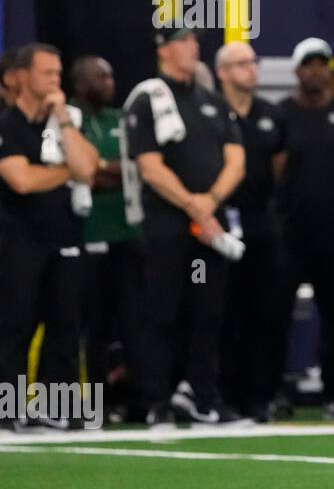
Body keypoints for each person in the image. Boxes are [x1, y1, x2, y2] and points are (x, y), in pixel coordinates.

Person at [124, 26, 245, 426]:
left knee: (208, 315)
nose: (192, 47)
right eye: (183, 41)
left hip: (209, 229)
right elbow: (149, 166)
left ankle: (204, 399)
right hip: (167, 228)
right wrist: (194, 206)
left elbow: (235, 161)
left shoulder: (211, 101)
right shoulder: (148, 100)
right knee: (162, 314)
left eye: (194, 41)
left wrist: (209, 202)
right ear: (164, 50)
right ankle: (156, 402)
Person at [0, 44, 98, 431]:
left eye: (59, 73)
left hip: (65, 236)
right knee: (15, 325)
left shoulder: (64, 122)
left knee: (65, 327)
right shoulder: (6, 125)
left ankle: (56, 407)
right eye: (47, 73)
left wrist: (62, 118)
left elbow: (88, 169)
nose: (55, 80)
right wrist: (65, 173)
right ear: (20, 76)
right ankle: (6, 409)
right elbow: (21, 180)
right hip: (18, 240)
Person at [274, 37, 334, 420]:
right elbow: (275, 168)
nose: (316, 70)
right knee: (276, 314)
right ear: (298, 71)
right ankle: (274, 396)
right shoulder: (281, 115)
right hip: (289, 232)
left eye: (322, 63)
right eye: (309, 64)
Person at [215, 41, 286, 421]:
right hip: (221, 222)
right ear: (223, 72)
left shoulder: (271, 115)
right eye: (241, 64)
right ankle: (223, 396)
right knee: (225, 311)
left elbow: (280, 167)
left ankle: (260, 398)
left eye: (253, 62)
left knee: (264, 313)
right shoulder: (210, 112)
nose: (251, 70)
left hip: (262, 223)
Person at [71, 56, 143, 419]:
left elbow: (138, 168)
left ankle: (136, 402)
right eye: (101, 75)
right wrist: (104, 171)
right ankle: (93, 405)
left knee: (135, 322)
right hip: (88, 236)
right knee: (93, 325)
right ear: (81, 81)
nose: (109, 80)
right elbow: (82, 174)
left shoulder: (120, 119)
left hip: (128, 235)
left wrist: (102, 167)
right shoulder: (69, 119)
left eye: (111, 74)